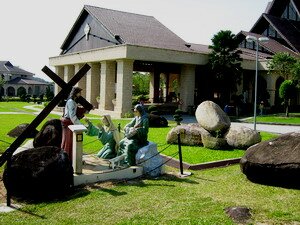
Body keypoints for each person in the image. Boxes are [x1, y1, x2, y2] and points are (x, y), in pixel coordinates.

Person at [61, 87, 85, 161]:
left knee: (69, 141)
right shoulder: (71, 101)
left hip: (69, 123)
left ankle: (70, 158)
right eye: (79, 92)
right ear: (76, 93)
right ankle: (68, 159)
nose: (80, 94)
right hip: (69, 124)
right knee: (68, 141)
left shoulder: (72, 101)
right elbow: (72, 115)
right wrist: (79, 124)